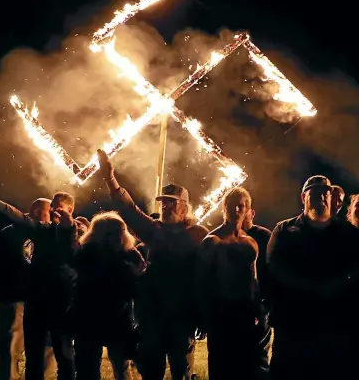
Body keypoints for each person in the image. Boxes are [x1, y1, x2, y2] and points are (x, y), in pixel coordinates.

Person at [97, 149, 209, 380]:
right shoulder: (156, 231)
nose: (165, 207)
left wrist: (203, 314)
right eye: (163, 203)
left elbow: (206, 276)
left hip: (182, 316)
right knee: (151, 371)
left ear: (185, 207)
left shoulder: (199, 235)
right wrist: (110, 179)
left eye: (171, 203)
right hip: (152, 317)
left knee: (181, 371)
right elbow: (129, 210)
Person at [266, 176, 359, 380]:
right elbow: (275, 269)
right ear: (303, 197)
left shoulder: (347, 233)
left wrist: (338, 285)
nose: (321, 197)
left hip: (333, 327)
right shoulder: (284, 230)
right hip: (293, 327)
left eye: (325, 193)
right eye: (315, 193)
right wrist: (310, 287)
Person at [0, 188, 79, 380]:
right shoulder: (42, 230)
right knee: (34, 354)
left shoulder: (76, 232)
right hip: (36, 301)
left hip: (61, 303)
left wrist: (69, 229)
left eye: (58, 207)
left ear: (70, 211)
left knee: (63, 353)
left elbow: (74, 258)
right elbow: (20, 219)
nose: (54, 210)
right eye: (53, 206)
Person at [196, 187, 261, 380]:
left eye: (242, 206)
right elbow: (201, 281)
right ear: (224, 208)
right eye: (232, 206)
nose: (237, 210)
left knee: (244, 366)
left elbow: (253, 278)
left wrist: (256, 307)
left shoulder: (250, 242)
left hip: (244, 312)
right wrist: (203, 316)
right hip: (221, 311)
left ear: (248, 210)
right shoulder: (212, 241)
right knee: (220, 367)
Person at [73, 211, 146, 380]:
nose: (118, 237)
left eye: (121, 231)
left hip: (117, 320)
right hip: (91, 319)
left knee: (120, 366)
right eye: (112, 232)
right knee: (88, 367)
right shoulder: (87, 255)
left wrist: (138, 274)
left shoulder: (129, 254)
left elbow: (133, 291)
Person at [0, 198, 57, 380]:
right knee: (10, 345)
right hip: (15, 297)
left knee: (47, 346)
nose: (52, 215)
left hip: (44, 299)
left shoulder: (52, 233)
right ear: (37, 211)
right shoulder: (10, 233)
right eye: (49, 211)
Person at [241, 197, 272, 379]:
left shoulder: (263, 236)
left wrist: (265, 304)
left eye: (245, 210)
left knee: (258, 357)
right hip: (236, 305)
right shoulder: (228, 235)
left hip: (259, 306)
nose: (240, 213)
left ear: (252, 213)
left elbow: (270, 271)